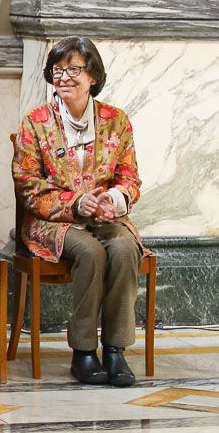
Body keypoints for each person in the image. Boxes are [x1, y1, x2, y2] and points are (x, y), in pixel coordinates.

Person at [13, 36, 144, 387]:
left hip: (105, 218)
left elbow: (130, 178)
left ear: (93, 77)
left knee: (125, 247)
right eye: (58, 69)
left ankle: (115, 349)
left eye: (74, 69)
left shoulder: (117, 121)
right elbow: (27, 183)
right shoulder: (35, 122)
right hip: (50, 222)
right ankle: (83, 352)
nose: (65, 77)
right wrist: (73, 203)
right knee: (89, 252)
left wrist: (112, 200)